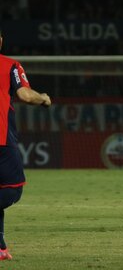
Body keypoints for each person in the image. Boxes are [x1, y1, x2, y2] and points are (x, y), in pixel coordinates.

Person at [0, 28, 52, 260]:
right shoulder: (10, 65)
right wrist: (43, 98)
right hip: (0, 140)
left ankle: (0, 247)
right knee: (12, 190)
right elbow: (24, 95)